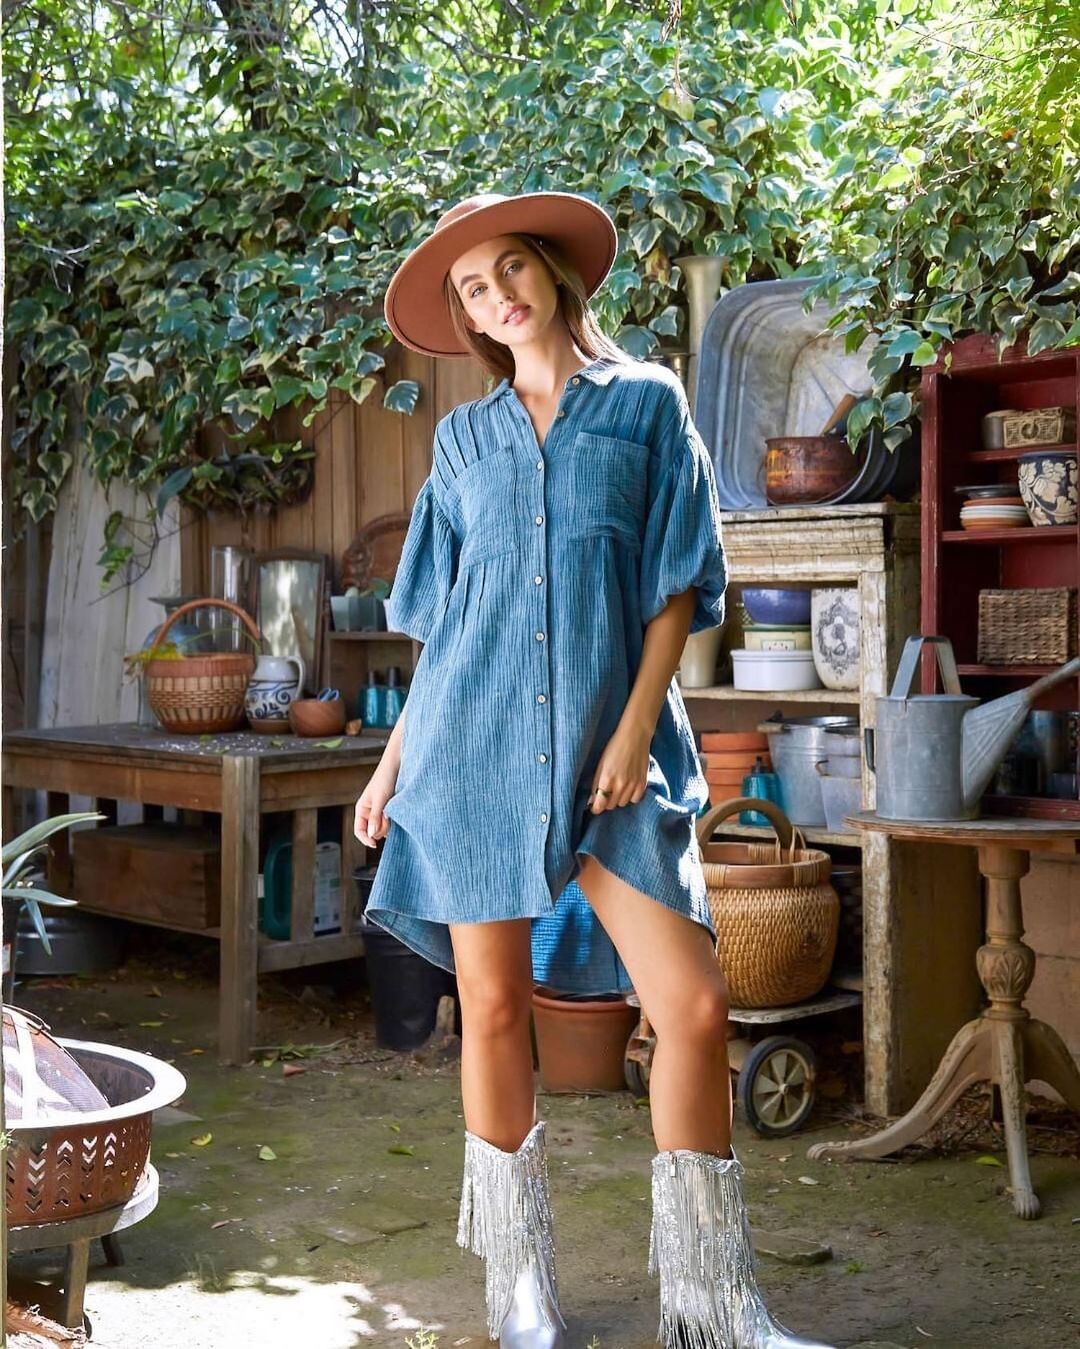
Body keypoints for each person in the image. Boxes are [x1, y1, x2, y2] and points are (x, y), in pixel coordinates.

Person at [355, 190, 836, 1349]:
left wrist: (629, 732)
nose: (498, 296)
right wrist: (389, 763)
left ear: (554, 269)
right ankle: (520, 1288)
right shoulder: (462, 440)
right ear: (467, 316)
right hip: (471, 754)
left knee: (695, 1004)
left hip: (619, 757)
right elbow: (443, 625)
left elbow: (676, 585)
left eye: (510, 268)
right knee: (493, 1008)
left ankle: (714, 1304)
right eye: (474, 289)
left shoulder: (648, 404)